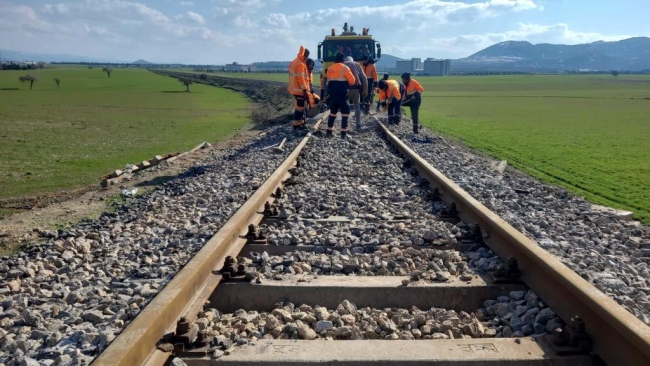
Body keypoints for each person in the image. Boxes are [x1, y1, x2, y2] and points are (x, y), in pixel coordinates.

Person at [326, 53, 356, 138]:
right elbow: (352, 81)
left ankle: (329, 131)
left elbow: (328, 82)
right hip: (342, 94)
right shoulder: (345, 68)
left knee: (332, 112)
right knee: (345, 112)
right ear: (343, 60)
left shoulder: (330, 68)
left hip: (332, 94)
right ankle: (343, 133)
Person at [287, 46, 314, 131]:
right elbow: (301, 78)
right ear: (305, 56)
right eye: (307, 57)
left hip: (296, 89)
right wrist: (305, 90)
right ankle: (297, 125)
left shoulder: (296, 61)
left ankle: (301, 123)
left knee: (301, 107)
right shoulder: (300, 64)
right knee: (300, 108)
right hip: (299, 90)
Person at [343, 56, 367, 131]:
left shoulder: (342, 65)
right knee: (357, 105)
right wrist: (365, 90)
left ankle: (344, 126)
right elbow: (364, 78)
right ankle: (358, 125)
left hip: (345, 89)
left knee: (345, 107)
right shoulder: (357, 65)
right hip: (356, 88)